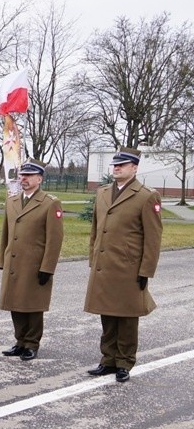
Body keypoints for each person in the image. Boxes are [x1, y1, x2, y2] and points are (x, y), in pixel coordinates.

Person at [84, 147, 162, 383]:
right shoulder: (103, 192)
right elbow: (96, 230)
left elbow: (153, 237)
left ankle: (124, 362)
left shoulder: (146, 196)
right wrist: (93, 258)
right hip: (104, 265)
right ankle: (108, 360)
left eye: (123, 164)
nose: (117, 168)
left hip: (129, 267)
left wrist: (146, 270)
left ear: (135, 168)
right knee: (106, 315)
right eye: (115, 164)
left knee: (127, 317)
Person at [0, 159, 64, 361]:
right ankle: (20, 341)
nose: (23, 179)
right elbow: (6, 233)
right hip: (14, 261)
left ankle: (32, 343)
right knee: (14, 302)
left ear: (39, 178)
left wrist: (48, 267)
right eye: (22, 175)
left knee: (33, 305)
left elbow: (55, 239)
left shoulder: (50, 203)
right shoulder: (12, 200)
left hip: (35, 264)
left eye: (29, 175)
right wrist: (3, 260)